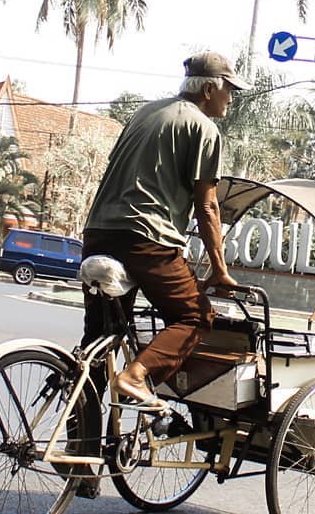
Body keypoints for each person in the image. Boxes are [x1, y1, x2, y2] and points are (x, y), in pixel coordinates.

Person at [81, 51, 249, 408]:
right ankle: (136, 376)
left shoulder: (145, 113)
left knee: (99, 342)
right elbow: (207, 205)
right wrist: (219, 270)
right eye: (228, 90)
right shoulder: (204, 128)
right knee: (196, 316)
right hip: (147, 237)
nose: (230, 99)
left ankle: (81, 452)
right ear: (208, 89)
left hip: (98, 230)